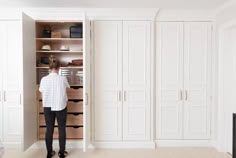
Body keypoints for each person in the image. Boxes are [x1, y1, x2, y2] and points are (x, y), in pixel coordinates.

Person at [39, 56, 70, 158]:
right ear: (59, 67)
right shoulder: (63, 78)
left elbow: (41, 91)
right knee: (61, 129)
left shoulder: (44, 79)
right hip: (61, 106)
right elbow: (67, 87)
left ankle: (49, 152)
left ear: (49, 67)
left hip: (47, 107)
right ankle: (61, 152)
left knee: (49, 129)